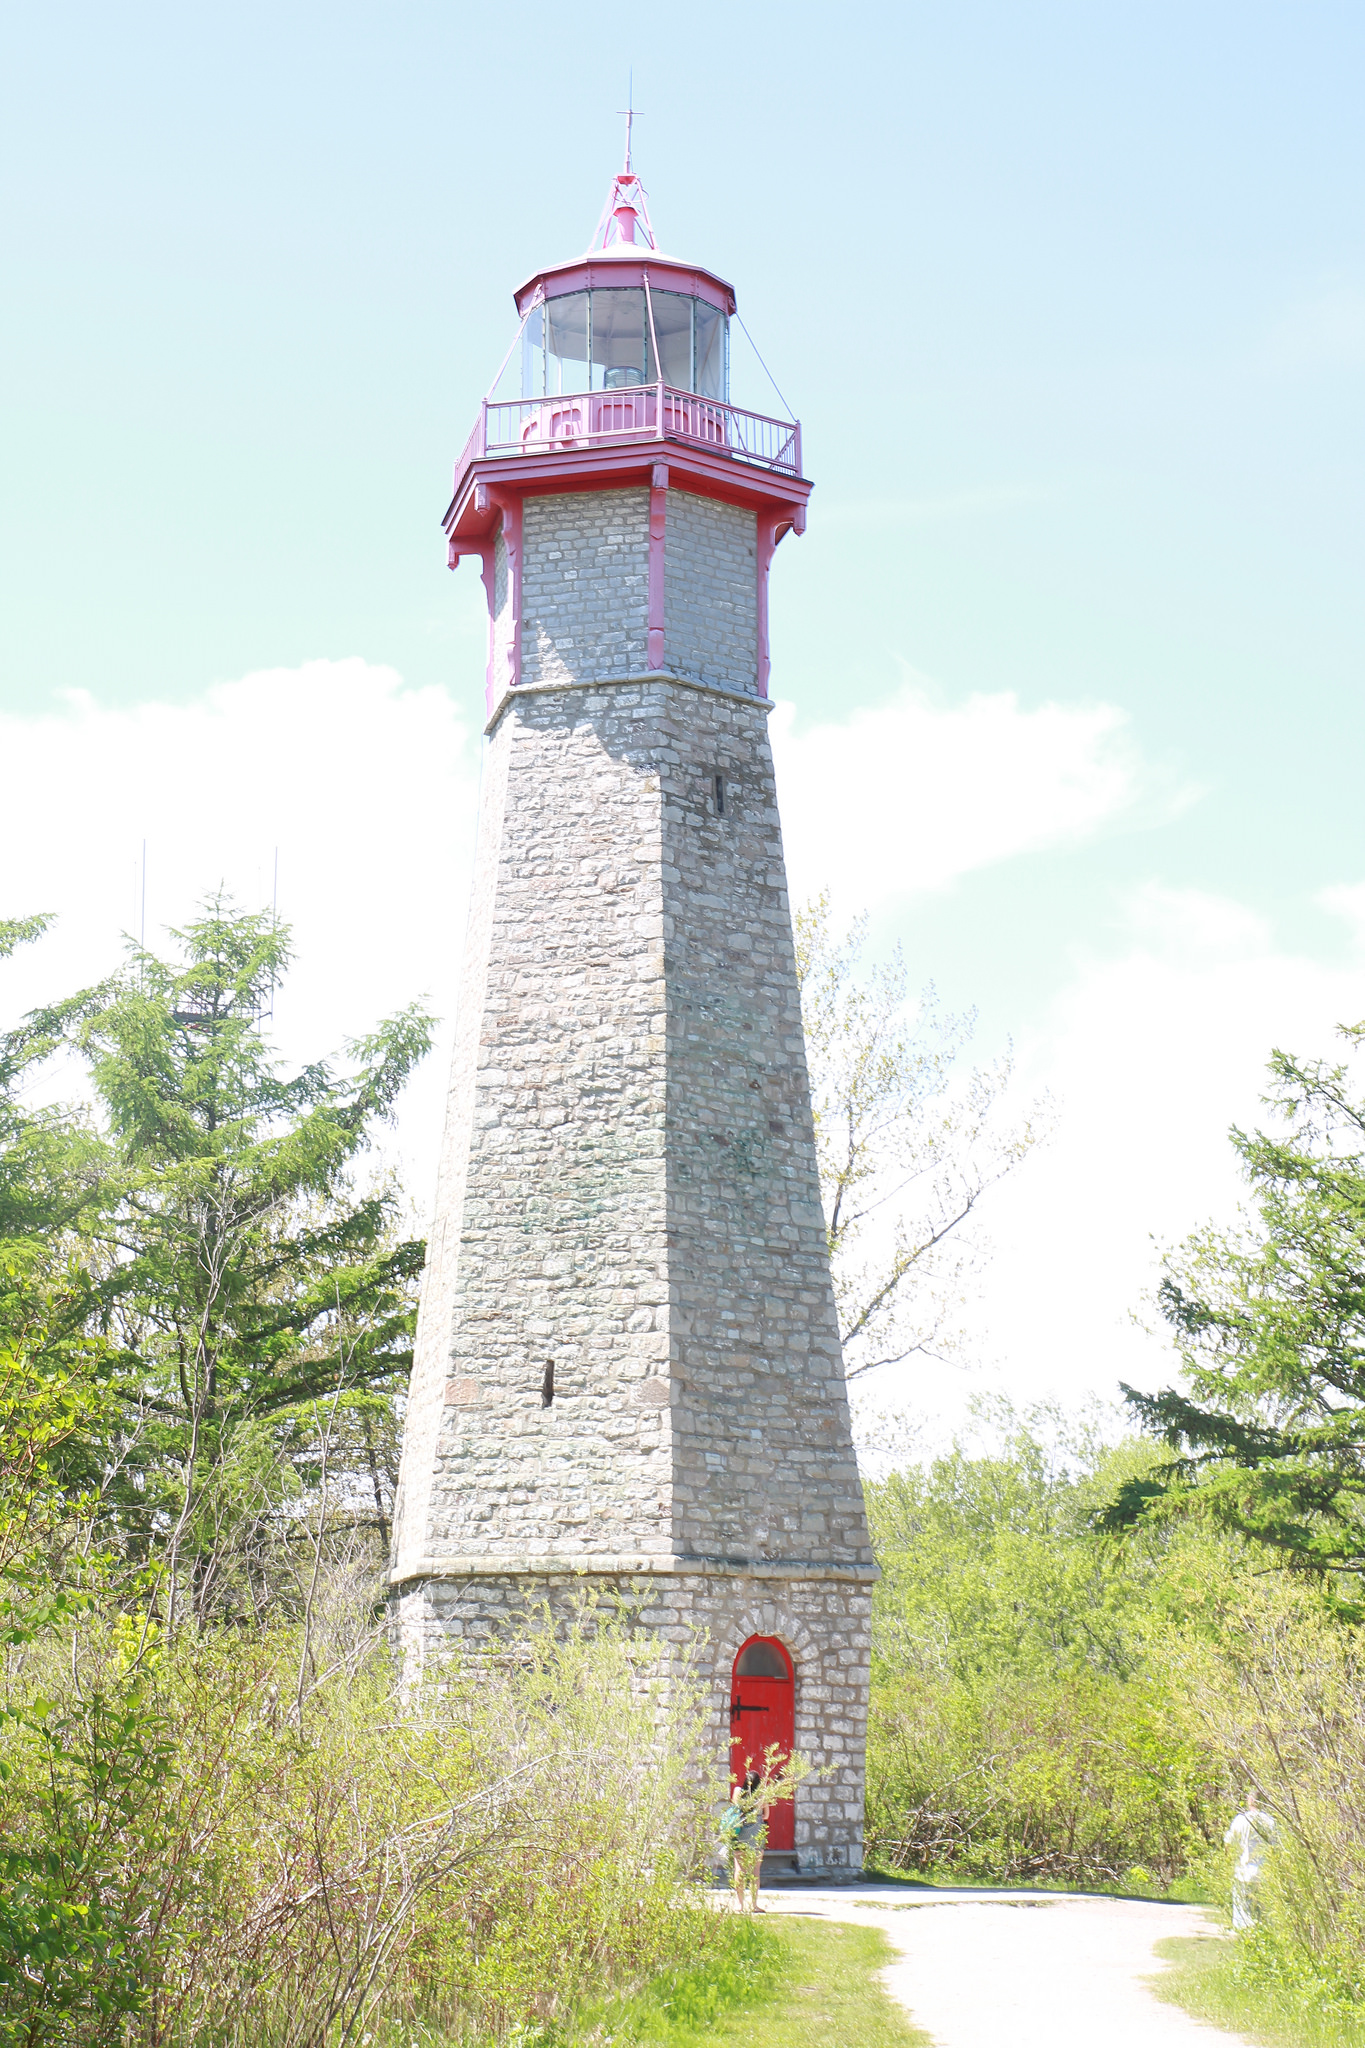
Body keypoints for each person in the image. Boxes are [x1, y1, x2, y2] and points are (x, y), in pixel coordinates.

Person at [1224, 1787, 1276, 1930]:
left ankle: (1244, 1933)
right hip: (1263, 1870)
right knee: (1260, 1907)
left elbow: (1228, 1841)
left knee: (1242, 1907)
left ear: (1250, 1800)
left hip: (1244, 1869)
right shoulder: (1270, 1822)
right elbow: (1275, 1845)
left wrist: (1227, 1859)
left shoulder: (1241, 1820)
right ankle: (1260, 1932)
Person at [720, 1771, 768, 1913]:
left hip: (740, 1834)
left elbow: (734, 1807)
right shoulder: (762, 1795)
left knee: (739, 1870)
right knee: (755, 1871)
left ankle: (739, 1905)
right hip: (755, 1835)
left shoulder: (737, 1792)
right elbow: (766, 1815)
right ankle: (754, 1905)